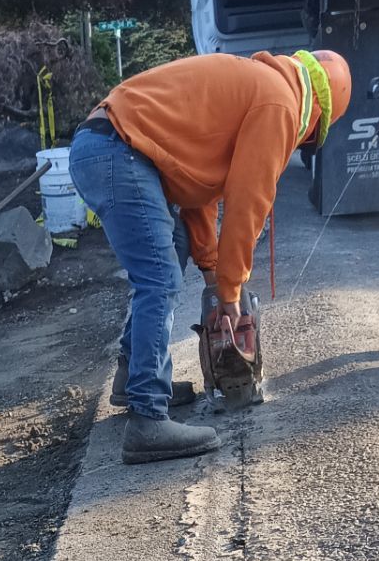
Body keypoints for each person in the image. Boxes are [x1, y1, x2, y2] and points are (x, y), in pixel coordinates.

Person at [69, 49, 353, 465]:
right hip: (116, 150)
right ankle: (147, 419)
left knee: (173, 248)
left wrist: (212, 275)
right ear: (316, 120)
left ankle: (134, 380)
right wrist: (231, 292)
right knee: (159, 278)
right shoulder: (279, 103)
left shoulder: (258, 85)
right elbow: (247, 200)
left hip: (109, 146)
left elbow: (198, 191)